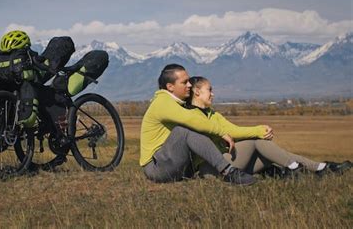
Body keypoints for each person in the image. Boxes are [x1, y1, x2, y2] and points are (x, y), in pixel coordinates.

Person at [187, 76, 352, 178]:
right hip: (208, 170)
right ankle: (299, 169)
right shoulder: (192, 115)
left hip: (223, 161)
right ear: (196, 92)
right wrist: (259, 130)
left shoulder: (212, 114)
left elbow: (232, 130)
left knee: (266, 154)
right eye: (209, 90)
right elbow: (234, 132)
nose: (213, 94)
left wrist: (257, 132)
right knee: (255, 142)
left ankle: (319, 168)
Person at [140, 64, 257, 185]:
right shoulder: (163, 102)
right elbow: (192, 120)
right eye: (184, 82)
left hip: (171, 161)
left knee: (188, 129)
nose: (189, 85)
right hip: (157, 168)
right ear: (170, 87)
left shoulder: (176, 104)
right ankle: (228, 172)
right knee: (183, 131)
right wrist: (221, 132)